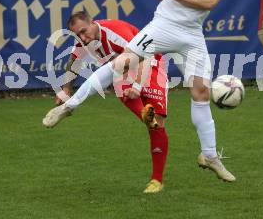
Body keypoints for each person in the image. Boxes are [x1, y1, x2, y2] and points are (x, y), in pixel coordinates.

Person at [45, 0, 235, 182]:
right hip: (163, 26)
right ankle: (70, 106)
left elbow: (209, 2)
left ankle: (209, 155)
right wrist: (167, 2)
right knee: (123, 61)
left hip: (192, 35)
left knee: (201, 92)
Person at [43, 11, 169, 193]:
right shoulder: (83, 41)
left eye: (84, 32)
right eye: (77, 35)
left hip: (151, 64)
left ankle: (157, 179)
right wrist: (66, 89)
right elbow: (73, 62)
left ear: (92, 22)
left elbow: (145, 57)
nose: (83, 38)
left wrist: (138, 86)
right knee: (119, 76)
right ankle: (144, 115)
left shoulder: (115, 33)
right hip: (123, 71)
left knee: (158, 125)